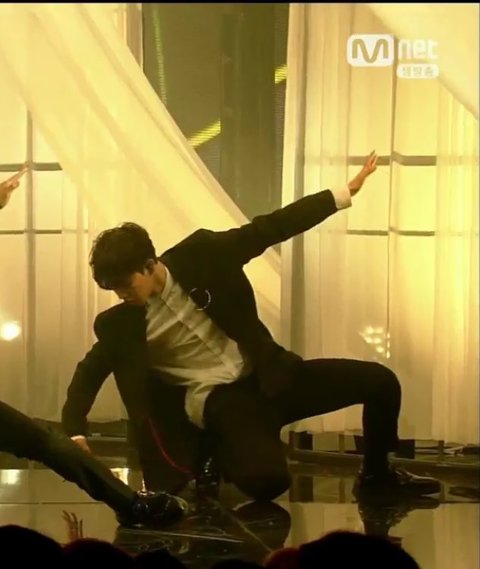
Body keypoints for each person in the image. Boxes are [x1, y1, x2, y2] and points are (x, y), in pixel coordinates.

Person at [62, 151, 441, 501]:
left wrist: (340, 194)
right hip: (223, 402)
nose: (122, 294)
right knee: (268, 483)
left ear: (149, 264)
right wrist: (75, 431)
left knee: (380, 382)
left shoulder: (203, 255)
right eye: (113, 289)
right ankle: (216, 449)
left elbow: (269, 229)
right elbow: (88, 372)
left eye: (126, 284)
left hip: (269, 376)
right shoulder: (121, 325)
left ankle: (376, 476)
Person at [0, 167, 187, 527]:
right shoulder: (119, 324)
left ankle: (132, 505)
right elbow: (89, 374)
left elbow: (87, 376)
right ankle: (132, 504)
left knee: (43, 440)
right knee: (43, 441)